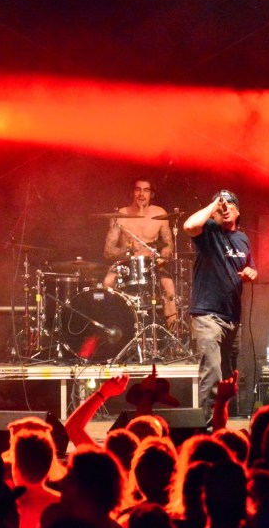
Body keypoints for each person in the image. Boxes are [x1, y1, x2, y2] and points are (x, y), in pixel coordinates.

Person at [183, 190, 257, 421]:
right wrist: (214, 205)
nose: (225, 208)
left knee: (228, 377)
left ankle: (220, 424)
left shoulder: (243, 239)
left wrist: (251, 272)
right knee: (212, 374)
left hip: (232, 318)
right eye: (221, 205)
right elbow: (189, 225)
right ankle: (206, 430)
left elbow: (250, 266)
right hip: (208, 315)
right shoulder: (209, 232)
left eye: (229, 204)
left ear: (238, 211)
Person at [102, 179, 178, 327]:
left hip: (152, 265)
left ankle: (174, 337)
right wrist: (126, 250)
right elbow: (108, 251)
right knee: (107, 282)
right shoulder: (120, 215)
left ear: (151, 194)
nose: (142, 194)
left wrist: (163, 254)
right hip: (126, 265)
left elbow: (169, 245)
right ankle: (113, 330)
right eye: (138, 189)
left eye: (146, 190)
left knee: (168, 285)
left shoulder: (160, 213)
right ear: (132, 192)